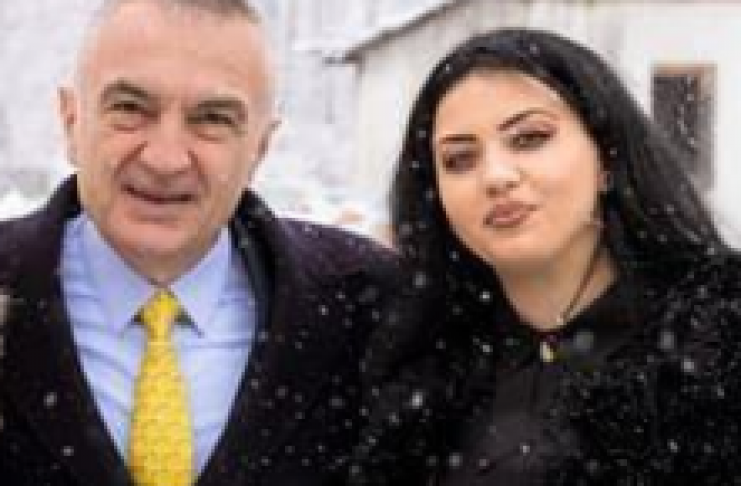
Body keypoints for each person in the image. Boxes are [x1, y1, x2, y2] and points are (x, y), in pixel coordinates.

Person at [0, 1, 400, 484]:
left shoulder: (372, 307)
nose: (166, 159)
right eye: (131, 109)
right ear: (71, 122)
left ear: (259, 148)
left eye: (212, 119)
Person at [348, 28, 741, 485]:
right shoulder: (415, 365)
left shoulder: (721, 337)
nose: (496, 177)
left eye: (530, 138)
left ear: (607, 158)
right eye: (459, 160)